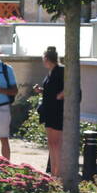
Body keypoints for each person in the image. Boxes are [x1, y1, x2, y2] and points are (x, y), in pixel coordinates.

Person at [33, 46, 65, 177]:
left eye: (43, 59)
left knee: (57, 143)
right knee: (51, 143)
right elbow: (51, 89)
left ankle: (59, 173)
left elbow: (70, 87)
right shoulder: (50, 72)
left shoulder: (61, 70)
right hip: (48, 110)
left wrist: (60, 96)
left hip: (58, 110)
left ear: (46, 59)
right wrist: (41, 90)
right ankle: (53, 172)